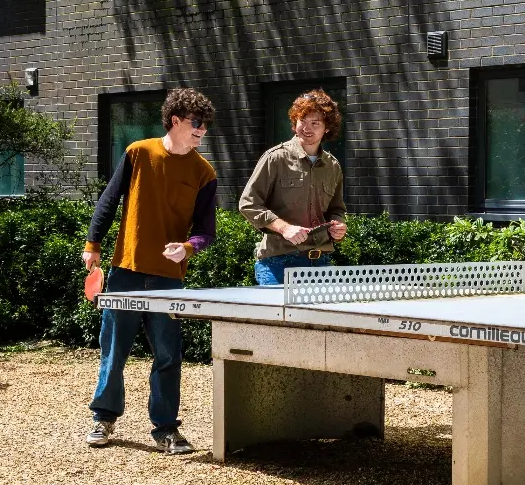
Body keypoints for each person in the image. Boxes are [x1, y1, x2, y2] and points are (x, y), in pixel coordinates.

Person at [82, 88, 218, 454]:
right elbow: (109, 201)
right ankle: (103, 418)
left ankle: (166, 430)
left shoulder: (204, 172)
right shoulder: (138, 152)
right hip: (125, 269)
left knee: (169, 354)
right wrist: (92, 246)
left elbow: (208, 232)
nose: (201, 130)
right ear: (175, 121)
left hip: (168, 279)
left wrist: (189, 247)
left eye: (205, 125)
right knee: (114, 350)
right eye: (195, 123)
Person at [239, 89, 347, 284]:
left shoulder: (333, 166)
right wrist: (284, 228)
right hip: (278, 264)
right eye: (302, 121)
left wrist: (338, 226)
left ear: (327, 128)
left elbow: (336, 209)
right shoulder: (275, 158)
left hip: (321, 264)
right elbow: (248, 204)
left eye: (315, 123)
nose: (307, 128)